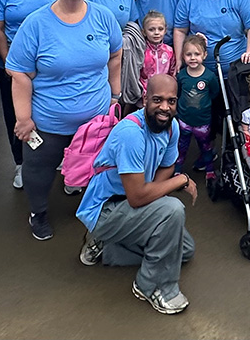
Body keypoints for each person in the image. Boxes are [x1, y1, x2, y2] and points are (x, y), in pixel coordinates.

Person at [7, 0, 122, 241]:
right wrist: (23, 118)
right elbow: (20, 73)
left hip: (94, 119)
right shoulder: (36, 24)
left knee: (95, 166)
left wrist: (115, 94)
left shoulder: (102, 16)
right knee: (39, 171)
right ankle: (39, 213)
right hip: (50, 120)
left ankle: (91, 205)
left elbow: (116, 54)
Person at [75, 74, 196, 316]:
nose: (164, 107)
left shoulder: (171, 126)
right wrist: (179, 182)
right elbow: (138, 197)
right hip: (105, 210)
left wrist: (158, 192)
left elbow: (167, 166)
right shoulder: (131, 133)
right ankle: (152, 286)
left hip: (132, 205)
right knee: (172, 210)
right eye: (157, 99)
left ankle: (107, 248)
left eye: (171, 101)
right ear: (145, 99)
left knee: (184, 250)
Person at [0, 0, 58, 190]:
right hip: (13, 65)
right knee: (17, 114)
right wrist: (10, 64)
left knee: (49, 111)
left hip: (49, 62)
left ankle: (56, 159)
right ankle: (21, 163)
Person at [176, 35, 218, 175]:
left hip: (203, 122)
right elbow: (179, 93)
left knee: (205, 147)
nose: (193, 58)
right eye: (188, 54)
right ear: (183, 56)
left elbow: (214, 93)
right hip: (184, 121)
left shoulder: (209, 76)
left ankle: (210, 171)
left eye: (197, 54)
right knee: (181, 147)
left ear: (205, 55)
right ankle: (176, 172)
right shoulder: (181, 75)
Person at [140, 11, 176, 101]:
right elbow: (139, 75)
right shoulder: (141, 51)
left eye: (160, 29)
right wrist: (144, 94)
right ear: (144, 32)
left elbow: (172, 74)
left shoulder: (169, 51)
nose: (156, 33)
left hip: (165, 94)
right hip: (145, 95)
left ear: (165, 30)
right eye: (151, 29)